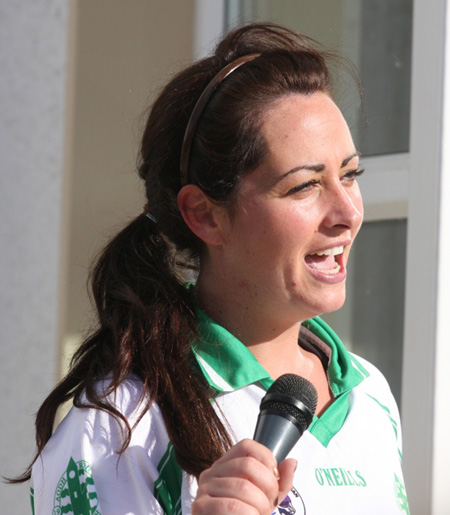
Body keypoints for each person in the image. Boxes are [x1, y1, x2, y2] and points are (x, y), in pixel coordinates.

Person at [16, 23, 409, 514]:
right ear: (204, 214)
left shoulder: (370, 393)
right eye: (304, 186)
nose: (348, 212)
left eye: (350, 175)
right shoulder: (118, 427)